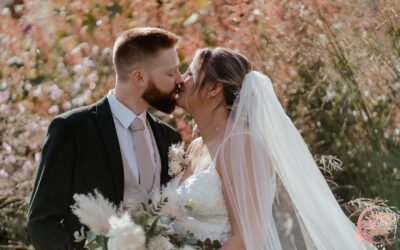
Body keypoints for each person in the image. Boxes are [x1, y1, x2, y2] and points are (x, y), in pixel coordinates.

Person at [170, 47, 377, 249]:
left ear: (214, 88)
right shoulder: (196, 146)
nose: (180, 79)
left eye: (190, 73)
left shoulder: (240, 144)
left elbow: (246, 240)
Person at [27, 27, 183, 250]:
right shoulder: (72, 129)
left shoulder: (169, 137)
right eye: (171, 73)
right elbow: (42, 221)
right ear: (139, 77)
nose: (180, 80)